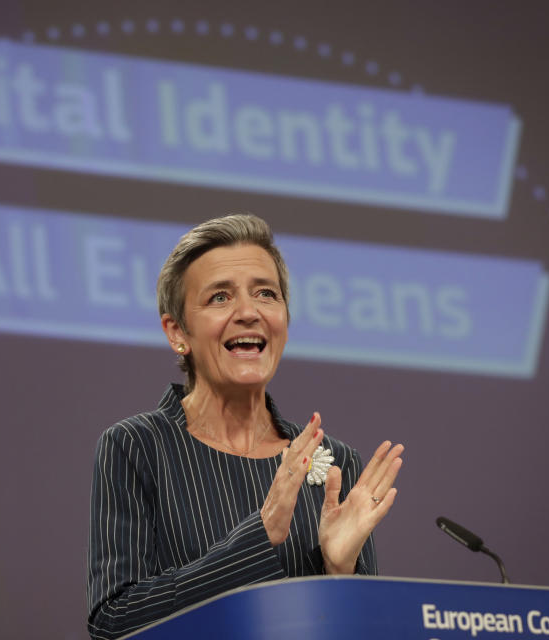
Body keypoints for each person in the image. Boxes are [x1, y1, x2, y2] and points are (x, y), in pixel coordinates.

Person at [86, 214, 404, 639]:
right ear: (177, 332)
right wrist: (260, 536)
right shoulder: (137, 447)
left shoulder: (333, 463)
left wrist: (341, 572)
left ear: (285, 322)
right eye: (220, 297)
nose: (249, 312)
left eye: (266, 294)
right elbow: (113, 622)